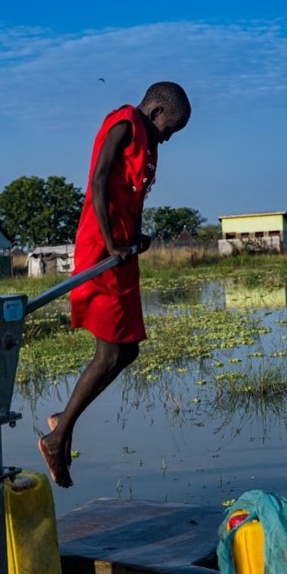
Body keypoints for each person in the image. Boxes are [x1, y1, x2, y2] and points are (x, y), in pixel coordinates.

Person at [38, 82, 191, 488]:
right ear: (156, 109)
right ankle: (57, 437)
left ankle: (63, 421)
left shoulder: (149, 143)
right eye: (169, 129)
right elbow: (100, 181)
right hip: (101, 248)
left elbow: (134, 196)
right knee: (108, 353)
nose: (168, 138)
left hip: (122, 251)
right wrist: (111, 243)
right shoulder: (124, 123)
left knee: (129, 350)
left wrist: (137, 237)